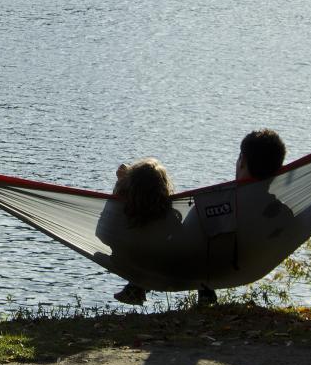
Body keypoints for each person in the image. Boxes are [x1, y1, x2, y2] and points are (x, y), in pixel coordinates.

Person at [196, 129, 290, 307]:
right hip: (251, 264)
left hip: (207, 265)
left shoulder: (215, 204)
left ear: (242, 163)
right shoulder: (282, 213)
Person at [111, 158, 174, 306]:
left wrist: (120, 183)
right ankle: (204, 286)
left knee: (133, 255)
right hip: (164, 266)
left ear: (129, 187)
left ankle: (136, 285)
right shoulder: (170, 214)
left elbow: (102, 232)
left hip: (129, 262)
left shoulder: (123, 213)